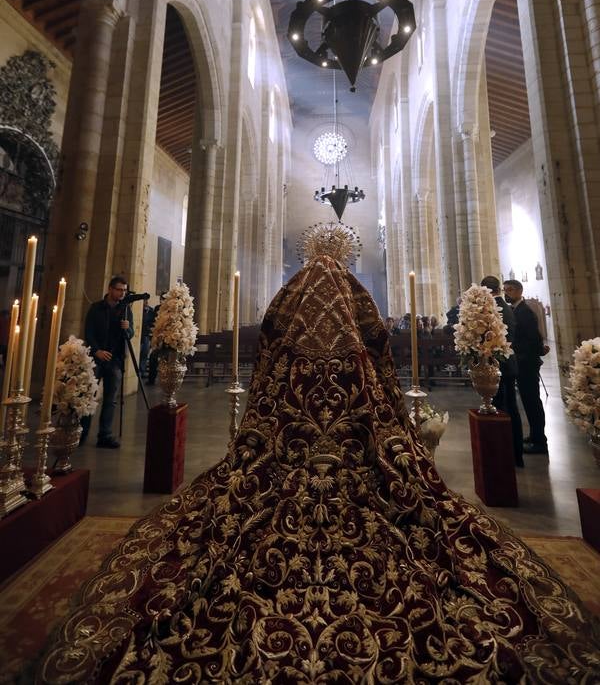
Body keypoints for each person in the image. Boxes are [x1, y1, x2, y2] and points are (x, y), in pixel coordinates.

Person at [37, 230, 600, 683]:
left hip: (290, 444)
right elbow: (378, 346)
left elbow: (271, 350)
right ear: (343, 256)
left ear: (310, 258)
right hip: (355, 446)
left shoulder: (292, 295)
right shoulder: (357, 295)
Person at [79, 275, 134, 449]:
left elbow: (130, 334)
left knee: (111, 399)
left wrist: (128, 328)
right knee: (89, 397)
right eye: (119, 289)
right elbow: (89, 332)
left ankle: (105, 434)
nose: (122, 293)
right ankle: (82, 433)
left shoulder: (126, 310)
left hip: (114, 360)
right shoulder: (96, 308)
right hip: (95, 359)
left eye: (124, 290)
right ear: (110, 289)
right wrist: (97, 351)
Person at [481, 275, 524, 467]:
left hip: (503, 365)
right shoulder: (502, 307)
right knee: (503, 407)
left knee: (508, 409)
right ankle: (507, 450)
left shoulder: (498, 308)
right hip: (504, 364)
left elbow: (502, 338)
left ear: (487, 291)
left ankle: (514, 453)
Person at [504, 278, 549, 455]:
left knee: (532, 402)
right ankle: (534, 435)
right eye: (505, 289)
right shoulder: (516, 310)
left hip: (527, 363)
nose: (506, 293)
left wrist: (537, 350)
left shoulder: (525, 312)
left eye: (509, 290)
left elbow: (534, 339)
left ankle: (540, 441)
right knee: (528, 401)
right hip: (522, 362)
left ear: (518, 291)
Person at [139, 298, 155, 379]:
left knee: (144, 353)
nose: (145, 302)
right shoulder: (138, 309)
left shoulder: (150, 310)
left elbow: (153, 322)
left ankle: (142, 371)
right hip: (139, 334)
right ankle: (137, 371)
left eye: (146, 300)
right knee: (138, 353)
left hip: (146, 335)